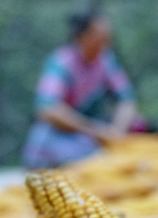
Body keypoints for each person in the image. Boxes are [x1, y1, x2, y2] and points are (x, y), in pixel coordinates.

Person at [22, 11, 143, 168]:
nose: (104, 42)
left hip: (88, 140)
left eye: (107, 38)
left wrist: (116, 133)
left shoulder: (106, 61)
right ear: (81, 36)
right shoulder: (61, 62)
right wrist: (93, 130)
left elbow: (127, 99)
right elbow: (47, 109)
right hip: (57, 140)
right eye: (98, 37)